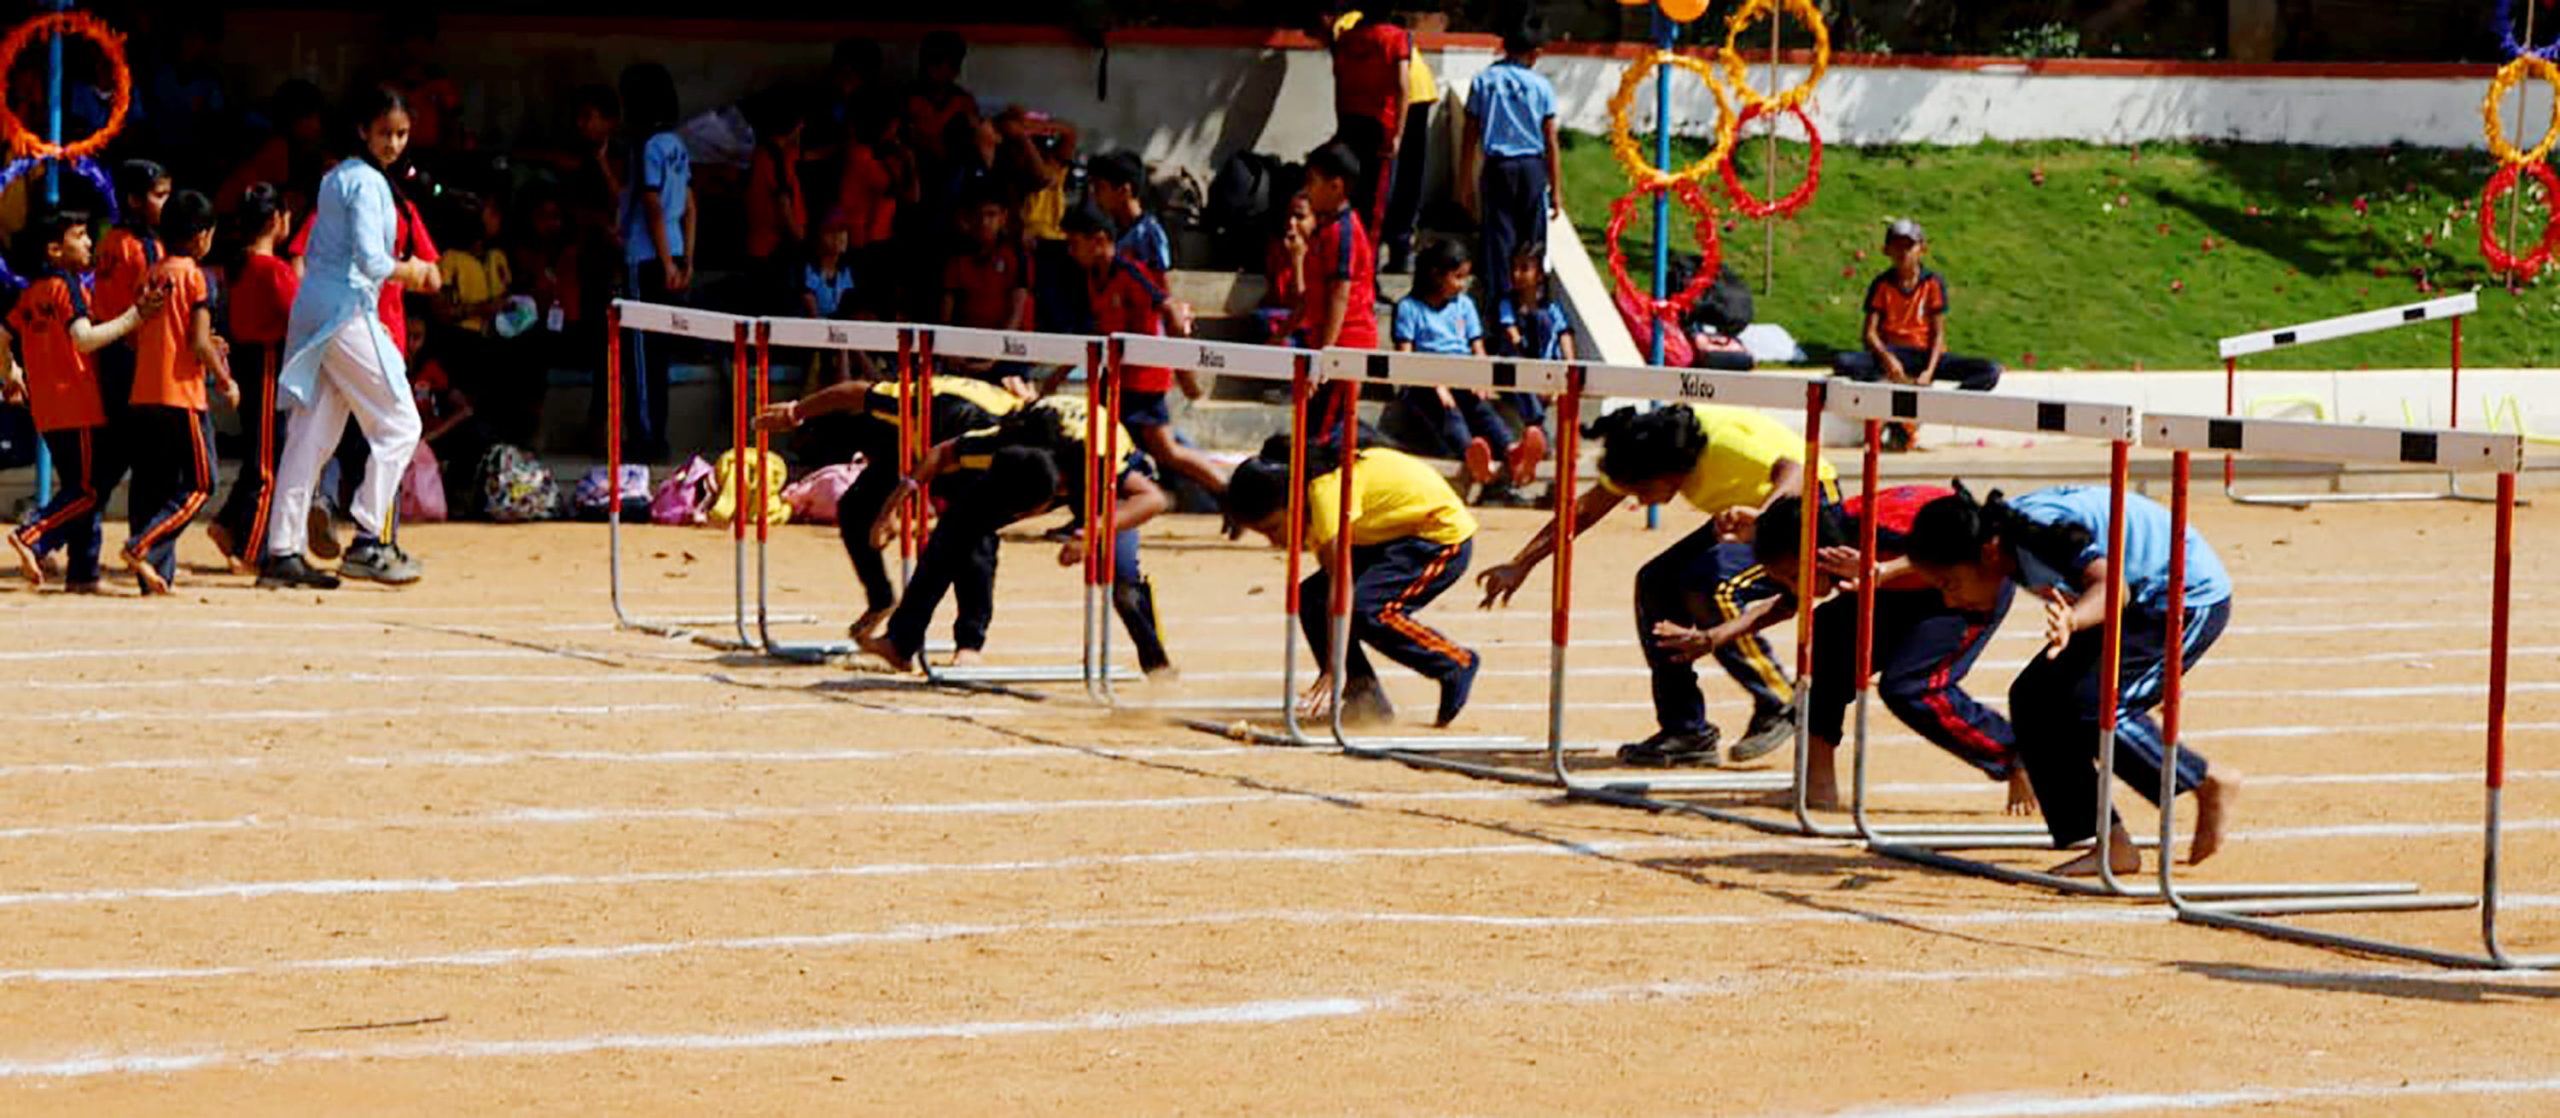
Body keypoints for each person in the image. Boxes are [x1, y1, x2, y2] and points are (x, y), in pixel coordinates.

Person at [1903, 483, 2242, 876]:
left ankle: (2206, 779)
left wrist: (2073, 620)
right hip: (2125, 601)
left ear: (1988, 553)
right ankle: (2111, 844)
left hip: (2181, 597)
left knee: (2097, 705)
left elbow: (2112, 585)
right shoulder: (1997, 537)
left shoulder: (2041, 533)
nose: (1950, 600)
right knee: (2034, 699)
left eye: (1950, 584)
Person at [1477, 403, 1837, 767]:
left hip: (1807, 504)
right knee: (1656, 583)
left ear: (1670, 470)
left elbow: (1798, 470)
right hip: (1745, 511)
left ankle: (1779, 700)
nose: (1639, 499)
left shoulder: (1723, 447)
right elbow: (1585, 510)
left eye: (1644, 489)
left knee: (1713, 584)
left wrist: (1764, 519)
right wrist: (1520, 563)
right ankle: (1686, 730)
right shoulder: (1648, 448)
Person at [1653, 489, 2032, 814]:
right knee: (1830, 632)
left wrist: (1882, 569)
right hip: (1898, 590)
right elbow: (1783, 604)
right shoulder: (1823, 549)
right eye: (1783, 578)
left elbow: (1958, 543)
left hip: (1965, 589)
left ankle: (2017, 757)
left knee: (1909, 687)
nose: (1792, 585)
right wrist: (1713, 637)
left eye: (1792, 574)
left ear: (1815, 553)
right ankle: (1817, 782)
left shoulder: (1876, 528)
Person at [262, 85, 442, 590]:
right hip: (345, 309)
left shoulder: (339, 177)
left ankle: (282, 551)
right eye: (385, 132)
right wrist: (417, 273)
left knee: (311, 436)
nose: (393, 143)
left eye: (401, 134)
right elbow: (371, 260)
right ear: (363, 130)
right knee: (402, 423)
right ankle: (368, 540)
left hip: (318, 309)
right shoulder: (365, 183)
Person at [1223, 435, 1479, 728]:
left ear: (1292, 503)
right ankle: (1364, 696)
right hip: (1387, 536)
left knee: (1367, 609)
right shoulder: (1314, 494)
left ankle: (1454, 663)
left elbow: (1340, 585)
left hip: (1438, 537)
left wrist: (1333, 669)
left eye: (1273, 528)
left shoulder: (1325, 495)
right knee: (1312, 599)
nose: (1273, 541)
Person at [754, 371, 1022, 641]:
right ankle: (880, 598)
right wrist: (794, 412)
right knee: (854, 508)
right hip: (925, 431)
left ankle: (969, 641)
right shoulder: (907, 402)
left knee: (972, 534)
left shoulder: (1000, 429)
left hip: (974, 445)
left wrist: (895, 509)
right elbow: (852, 391)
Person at [1, 209, 164, 591]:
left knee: (80, 488)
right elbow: (84, 339)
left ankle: (82, 572)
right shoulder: (65, 286)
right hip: (77, 404)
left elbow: (3, 334)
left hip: (47, 410)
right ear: (56, 250)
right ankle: (33, 534)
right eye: (80, 236)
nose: (89, 242)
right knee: (88, 490)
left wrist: (11, 373)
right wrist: (135, 316)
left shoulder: (31, 292)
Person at [1054, 203, 1223, 496]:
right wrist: (1058, 374)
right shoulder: (1094, 278)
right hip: (1117, 377)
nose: (1070, 251)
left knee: (1165, 451)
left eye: (1074, 243)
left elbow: (1169, 307)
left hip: (1144, 379)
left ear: (1099, 240)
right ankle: (1093, 511)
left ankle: (1229, 492)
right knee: (1102, 446)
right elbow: (1098, 333)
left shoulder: (1130, 272)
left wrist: (1186, 374)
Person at [122, 190, 236, 595]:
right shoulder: (196, 277)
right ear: (201, 236)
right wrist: (225, 380)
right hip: (182, 396)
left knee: (153, 485)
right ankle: (143, 545)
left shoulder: (150, 274)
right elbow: (201, 343)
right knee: (201, 484)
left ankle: (154, 577)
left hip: (144, 393)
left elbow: (136, 337)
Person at [1389, 239, 1541, 497]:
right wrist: (1436, 384)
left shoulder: (1465, 305)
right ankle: (1471, 452)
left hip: (1462, 374)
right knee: (1448, 410)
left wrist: (1480, 378)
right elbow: (1406, 358)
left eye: (1465, 278)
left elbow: (1477, 347)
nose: (1462, 285)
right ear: (1437, 275)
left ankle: (1512, 450)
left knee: (1481, 408)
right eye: (1457, 277)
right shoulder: (1409, 308)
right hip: (1424, 381)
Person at [1834, 219, 2002, 450]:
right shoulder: (1882, 284)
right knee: (1844, 362)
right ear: (1887, 250)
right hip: (1893, 354)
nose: (1903, 253)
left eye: (1909, 246)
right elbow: (1870, 333)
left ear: (1922, 249)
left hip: (1924, 354)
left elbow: (1938, 334)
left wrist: (1928, 372)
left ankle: (1930, 410)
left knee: (1989, 370)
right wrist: (1887, 358)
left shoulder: (1932, 283)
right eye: (1897, 246)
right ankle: (1894, 411)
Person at [207, 184, 298, 571]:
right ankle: (253, 548)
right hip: (266, 360)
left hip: (250, 359)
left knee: (259, 453)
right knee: (267, 466)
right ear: (276, 220)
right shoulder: (271, 269)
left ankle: (228, 522)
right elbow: (299, 312)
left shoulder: (240, 264)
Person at [1460, 14, 1563, 309]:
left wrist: (1465, 180)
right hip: (1532, 167)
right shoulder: (1541, 86)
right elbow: (1550, 140)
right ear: (1536, 53)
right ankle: (1531, 303)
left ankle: (1501, 308)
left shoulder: (1484, 81)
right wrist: (1556, 189)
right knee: (1532, 241)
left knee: (1499, 239)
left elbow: (1469, 133)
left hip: (1498, 167)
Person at [616, 62, 691, 462]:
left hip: (647, 258)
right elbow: (690, 204)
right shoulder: (677, 144)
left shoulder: (649, 146)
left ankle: (646, 440)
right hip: (673, 252)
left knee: (642, 356)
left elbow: (652, 205)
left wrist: (664, 263)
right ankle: (653, 434)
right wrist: (685, 259)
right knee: (658, 355)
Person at [1294, 143, 1380, 427]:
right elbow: (1313, 296)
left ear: (1336, 186)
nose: (1307, 190)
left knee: (1326, 433)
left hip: (1345, 346)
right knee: (1320, 427)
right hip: (1325, 342)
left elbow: (1339, 295)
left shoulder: (1344, 232)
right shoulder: (1325, 229)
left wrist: (1324, 357)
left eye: (1312, 182)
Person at [1314, 6, 1409, 250]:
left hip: (1350, 122)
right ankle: (1366, 268)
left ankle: (1346, 256)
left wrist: (1340, 123)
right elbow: (1401, 85)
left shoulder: (1346, 40)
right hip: (1380, 126)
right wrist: (1398, 132)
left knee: (1350, 196)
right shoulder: (1396, 37)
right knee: (1375, 206)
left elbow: (1340, 82)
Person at [93, 160, 172, 428]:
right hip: (136, 353)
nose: (168, 203)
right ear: (135, 200)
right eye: (160, 196)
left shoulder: (108, 241)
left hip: (108, 349)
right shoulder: (145, 248)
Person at [1491, 243, 1563, 488]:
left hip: (1545, 371)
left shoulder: (1551, 310)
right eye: (1514, 269)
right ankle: (1538, 428)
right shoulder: (1506, 304)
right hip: (1515, 369)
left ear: (1539, 275)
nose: (1517, 275)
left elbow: (1562, 342)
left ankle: (1537, 437)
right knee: (1518, 369)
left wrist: (1554, 383)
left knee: (1542, 320)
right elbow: (1513, 340)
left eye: (1524, 269)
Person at [1376, 15, 1439, 275]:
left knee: (1387, 178)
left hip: (1398, 96)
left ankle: (1385, 248)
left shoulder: (1346, 29)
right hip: (1420, 90)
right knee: (1409, 176)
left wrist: (1396, 131)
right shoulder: (1383, 28)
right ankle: (1401, 248)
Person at [743, 88, 809, 309]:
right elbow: (783, 205)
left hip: (767, 251)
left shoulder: (774, 153)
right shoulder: (773, 158)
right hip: (772, 252)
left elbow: (804, 155)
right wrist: (799, 237)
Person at [940, 179, 1032, 337]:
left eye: (991, 215)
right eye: (978, 215)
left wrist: (994, 356)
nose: (984, 222)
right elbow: (946, 316)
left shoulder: (1017, 255)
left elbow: (1017, 313)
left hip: (1010, 348)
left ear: (1003, 217)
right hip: (966, 343)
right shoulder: (957, 257)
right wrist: (952, 353)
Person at [1088, 152, 1170, 275]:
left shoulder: (1147, 234)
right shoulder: (1106, 229)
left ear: (1124, 191)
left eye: (1100, 187)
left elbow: (1155, 284)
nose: (1094, 195)